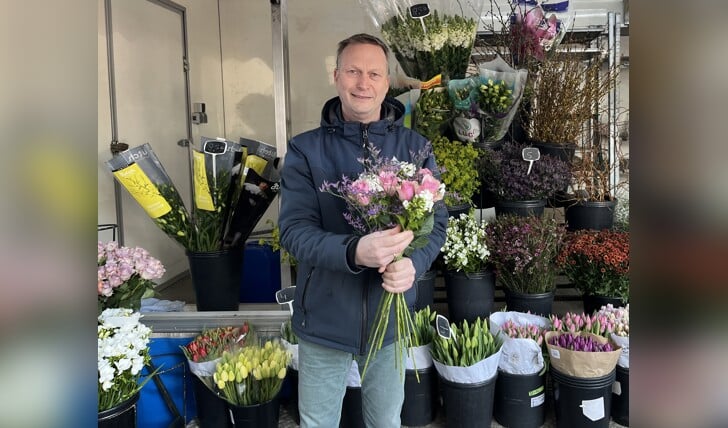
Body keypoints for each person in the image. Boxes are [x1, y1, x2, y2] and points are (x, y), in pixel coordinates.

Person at [278, 33, 448, 427]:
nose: (363, 83)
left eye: (374, 73)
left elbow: (436, 221)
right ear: (336, 76)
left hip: (390, 323)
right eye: (353, 71)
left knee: (386, 421)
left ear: (387, 83)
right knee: (318, 422)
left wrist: (415, 263)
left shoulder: (415, 147)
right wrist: (353, 251)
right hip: (323, 319)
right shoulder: (306, 150)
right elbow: (294, 231)